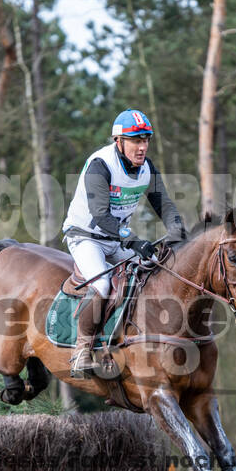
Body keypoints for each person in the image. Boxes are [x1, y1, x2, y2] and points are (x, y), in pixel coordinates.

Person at [62, 108, 186, 378]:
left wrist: (177, 227)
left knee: (152, 271)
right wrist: (132, 240)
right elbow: (100, 215)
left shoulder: (147, 169)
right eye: (135, 141)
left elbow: (163, 203)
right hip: (86, 236)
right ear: (119, 141)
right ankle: (81, 352)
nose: (142, 147)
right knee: (102, 284)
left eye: (145, 140)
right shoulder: (100, 165)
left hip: (116, 238)